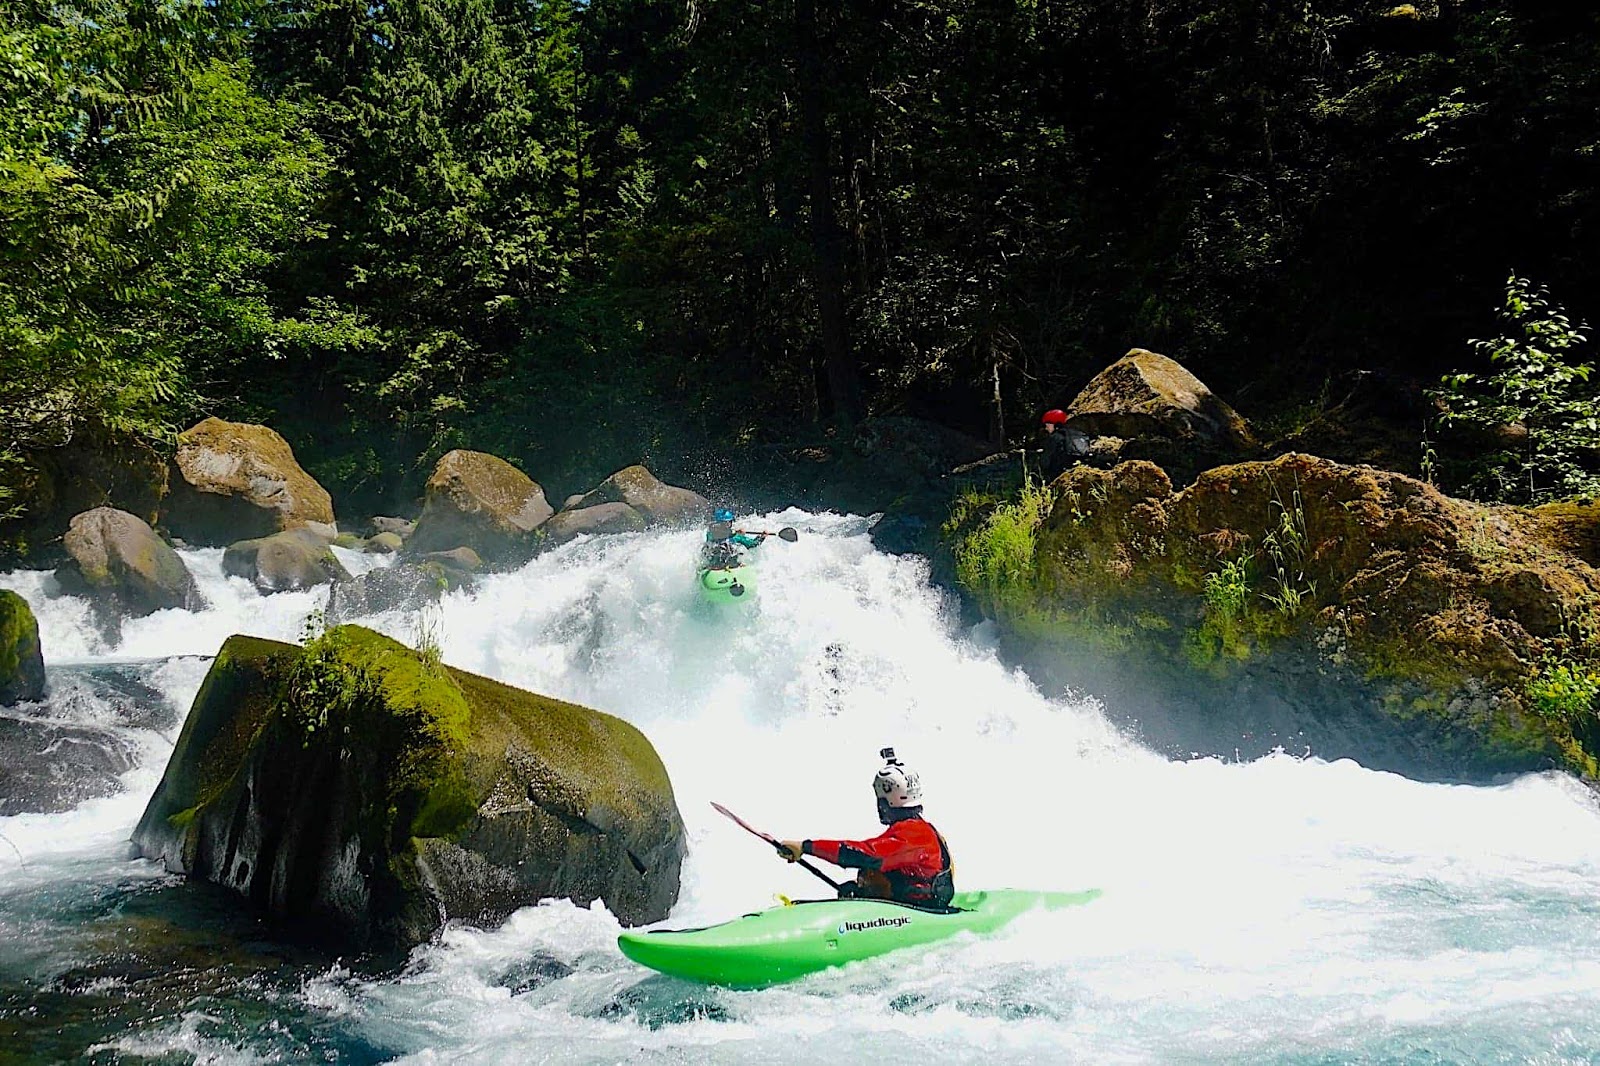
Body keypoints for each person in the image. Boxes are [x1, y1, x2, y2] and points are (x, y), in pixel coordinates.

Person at [778, 748, 955, 907]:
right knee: (869, 874)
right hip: (909, 903)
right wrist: (861, 890)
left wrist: (806, 847)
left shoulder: (915, 833)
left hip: (923, 909)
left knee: (869, 866)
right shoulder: (914, 828)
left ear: (887, 801)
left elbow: (866, 855)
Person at [1039, 408, 1088, 479]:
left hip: (1059, 474)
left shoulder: (1055, 437)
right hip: (1077, 469)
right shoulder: (1077, 434)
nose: (1046, 429)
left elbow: (1046, 460)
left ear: (1056, 425)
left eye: (1047, 425)